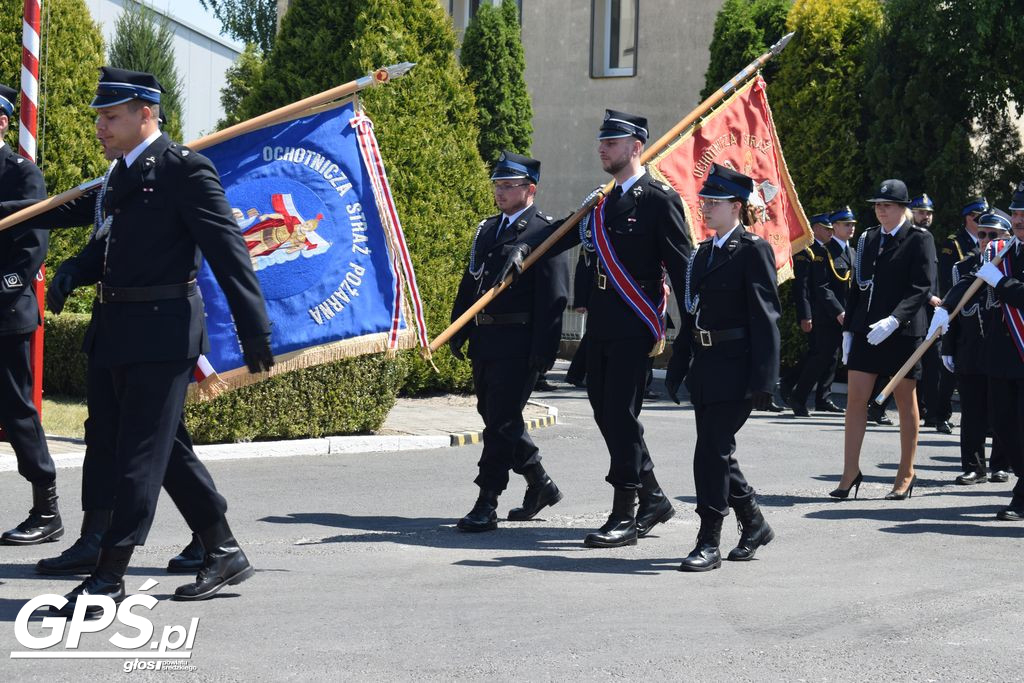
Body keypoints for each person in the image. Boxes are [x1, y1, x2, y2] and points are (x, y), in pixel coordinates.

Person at [0, 67, 274, 614]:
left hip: (161, 331)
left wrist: (254, 329)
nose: (100, 126)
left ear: (145, 114)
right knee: (156, 447)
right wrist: (79, 268)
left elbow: (229, 252)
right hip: (115, 330)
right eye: (100, 116)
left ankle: (109, 574)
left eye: (111, 116)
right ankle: (222, 548)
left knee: (140, 456)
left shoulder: (184, 171)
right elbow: (81, 219)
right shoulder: (120, 176)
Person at [550, 110, 691, 547]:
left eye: (611, 142)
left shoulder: (659, 198)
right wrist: (522, 246)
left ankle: (624, 514)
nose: (602, 148)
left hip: (637, 320)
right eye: (601, 141)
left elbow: (682, 264)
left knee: (620, 416)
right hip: (603, 324)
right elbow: (564, 235)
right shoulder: (602, 200)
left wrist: (693, 329)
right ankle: (653, 498)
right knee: (605, 413)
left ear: (636, 147)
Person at [665, 163, 780, 571]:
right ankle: (754, 523)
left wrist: (766, 378)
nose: (706, 208)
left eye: (713, 202)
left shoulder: (753, 250)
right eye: (704, 201)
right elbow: (693, 314)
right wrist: (678, 364)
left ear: (736, 206)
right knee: (718, 450)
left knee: (710, 450)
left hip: (737, 368)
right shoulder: (703, 254)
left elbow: (766, 317)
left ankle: (708, 539)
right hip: (706, 366)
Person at [449, 151, 569, 532]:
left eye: (508, 185)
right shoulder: (487, 229)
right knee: (495, 415)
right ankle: (539, 483)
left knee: (499, 423)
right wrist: (458, 328)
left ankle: (487, 501)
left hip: (519, 342)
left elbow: (554, 297)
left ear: (529, 190)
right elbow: (472, 283)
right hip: (486, 339)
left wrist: (543, 351)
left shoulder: (544, 231)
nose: (500, 191)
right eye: (497, 184)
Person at [832, 178, 936, 501]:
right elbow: (857, 287)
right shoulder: (867, 238)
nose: (880, 211)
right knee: (855, 400)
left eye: (886, 206)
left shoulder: (919, 238)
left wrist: (895, 319)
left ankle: (906, 472)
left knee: (906, 402)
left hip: (903, 332)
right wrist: (849, 329)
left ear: (903, 208)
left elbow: (922, 286)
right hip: (867, 331)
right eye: (877, 205)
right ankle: (850, 472)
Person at [931, 190, 1024, 520]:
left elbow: (1012, 291)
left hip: (1022, 350)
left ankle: (1022, 494)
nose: (1019, 219)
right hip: (1001, 354)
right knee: (1000, 422)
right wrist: (946, 308)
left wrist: (1002, 283)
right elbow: (971, 279)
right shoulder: (1003, 249)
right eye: (1016, 212)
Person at [0, 83, 62, 547]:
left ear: (3, 122)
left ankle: (47, 509)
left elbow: (30, 250)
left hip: (5, 311)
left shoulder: (22, 175)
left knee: (16, 411)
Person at [937, 210, 1012, 484]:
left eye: (993, 235)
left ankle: (1001, 465)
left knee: (1002, 410)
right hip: (969, 348)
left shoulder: (1012, 267)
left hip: (1002, 349)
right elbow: (953, 311)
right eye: (982, 234)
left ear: (1007, 237)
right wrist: (948, 347)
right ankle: (973, 466)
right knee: (971, 412)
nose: (986, 240)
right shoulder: (962, 268)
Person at [786, 212, 846, 416]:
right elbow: (801, 288)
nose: (830, 232)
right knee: (818, 355)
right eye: (826, 228)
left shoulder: (832, 252)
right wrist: (805, 315)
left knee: (829, 356)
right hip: (816, 313)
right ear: (815, 228)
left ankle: (823, 397)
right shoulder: (807, 252)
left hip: (831, 313)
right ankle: (792, 388)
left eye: (832, 228)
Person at [564, 251, 593, 388]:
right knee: (593, 335)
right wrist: (581, 300)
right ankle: (576, 373)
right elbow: (584, 268)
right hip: (597, 295)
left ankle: (576, 373)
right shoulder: (594, 235)